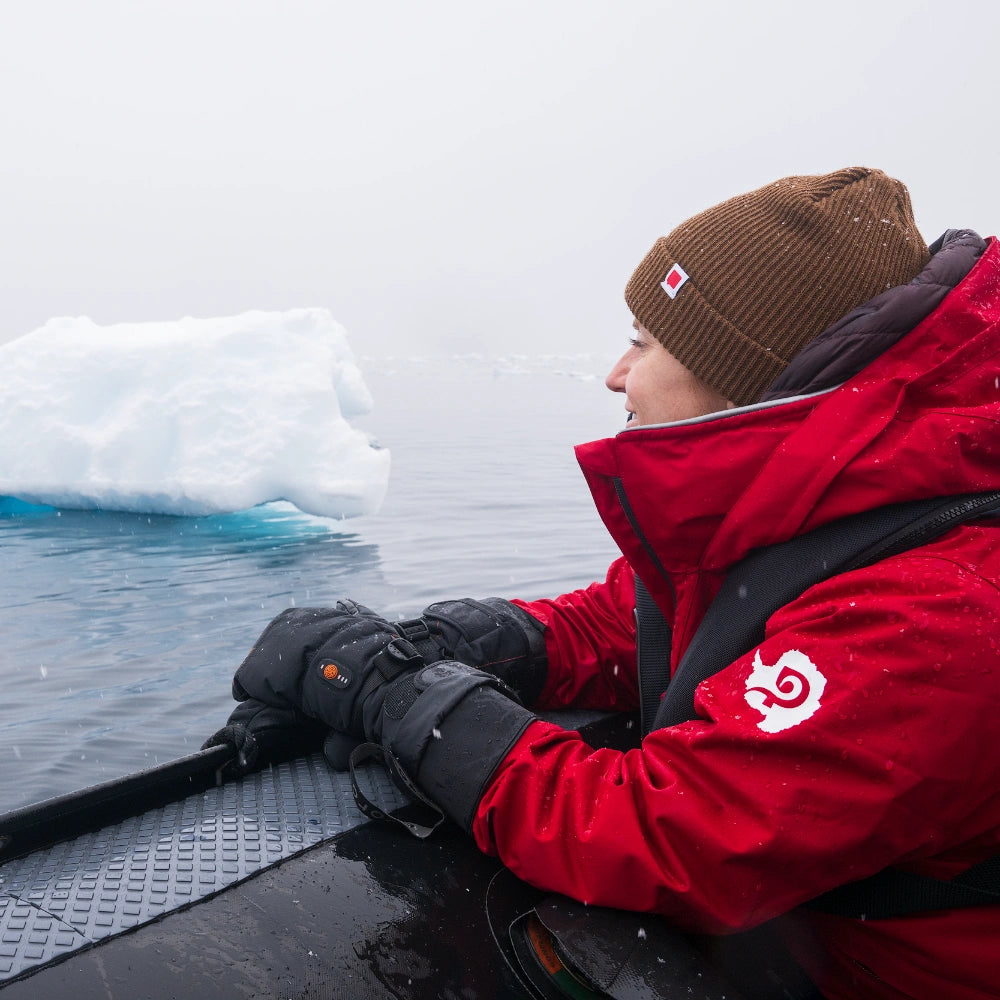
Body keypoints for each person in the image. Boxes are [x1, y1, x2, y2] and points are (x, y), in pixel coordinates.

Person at [206, 167, 1000, 999]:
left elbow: (669, 834)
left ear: (749, 377)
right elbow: (636, 624)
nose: (616, 374)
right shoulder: (829, 511)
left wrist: (398, 698)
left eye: (648, 344)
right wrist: (443, 645)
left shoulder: (942, 607)